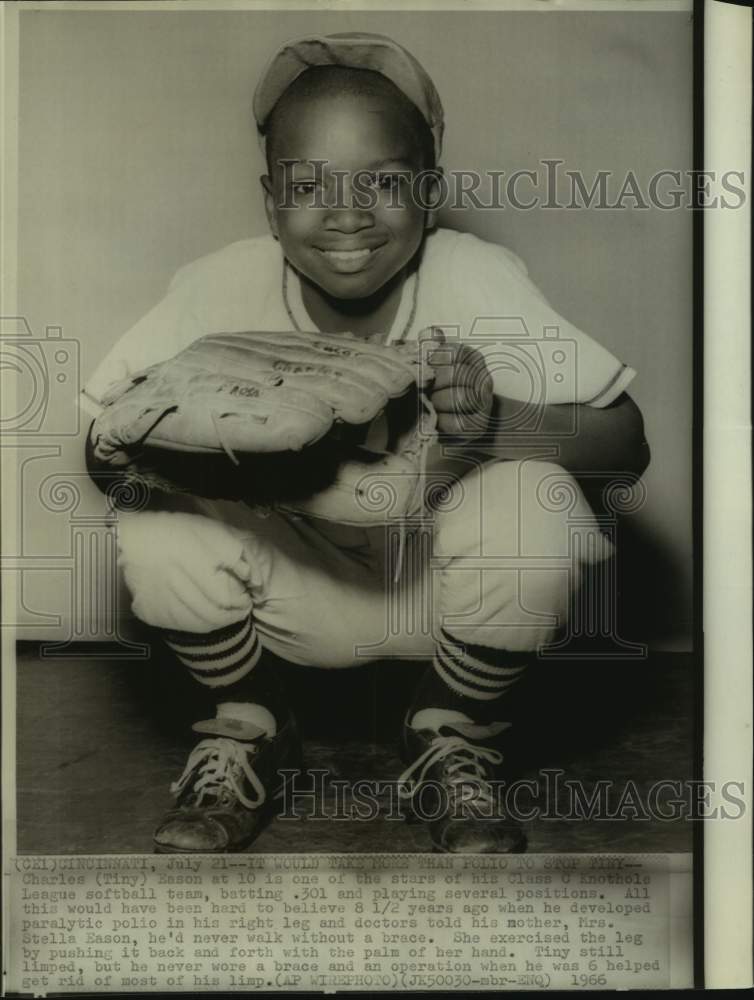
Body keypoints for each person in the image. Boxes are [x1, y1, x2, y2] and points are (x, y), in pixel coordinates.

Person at [82, 32, 649, 854]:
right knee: (154, 519)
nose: (347, 212)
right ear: (269, 199)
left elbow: (628, 445)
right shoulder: (217, 285)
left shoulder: (475, 274)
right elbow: (98, 459)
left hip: (440, 593)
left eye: (383, 181)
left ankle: (450, 730)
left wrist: (499, 426)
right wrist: (145, 446)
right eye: (308, 185)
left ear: (430, 189)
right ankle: (252, 725)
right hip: (287, 591)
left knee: (539, 500)